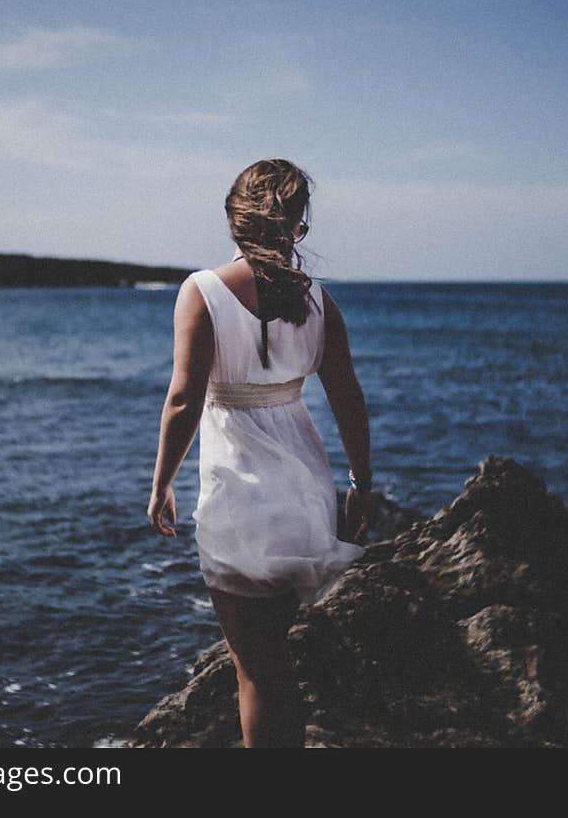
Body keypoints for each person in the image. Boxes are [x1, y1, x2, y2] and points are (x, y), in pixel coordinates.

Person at [147, 158, 373, 748]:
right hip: (305, 487)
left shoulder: (203, 291)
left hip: (238, 495)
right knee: (276, 665)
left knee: (257, 670)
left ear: (233, 221)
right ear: (298, 225)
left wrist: (161, 484)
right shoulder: (319, 301)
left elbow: (182, 400)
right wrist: (362, 482)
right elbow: (347, 396)